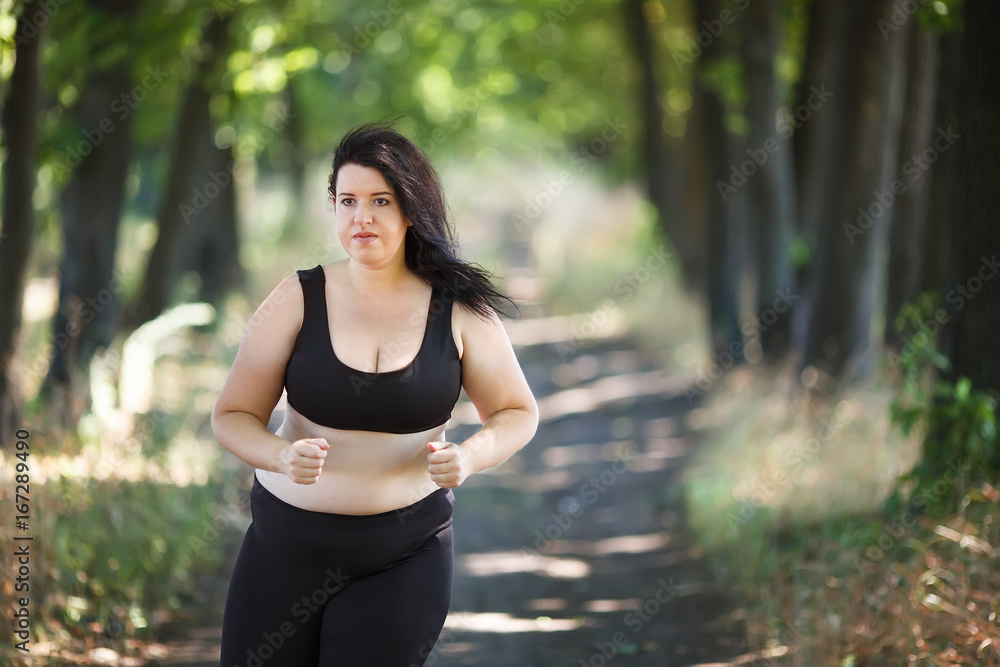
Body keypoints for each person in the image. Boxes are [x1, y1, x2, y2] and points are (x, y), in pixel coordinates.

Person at [211, 120, 539, 667]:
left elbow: (517, 411)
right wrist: (280, 454)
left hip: (404, 557)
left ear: (410, 210)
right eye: (347, 200)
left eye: (380, 201)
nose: (361, 217)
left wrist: (471, 455)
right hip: (284, 548)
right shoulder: (297, 297)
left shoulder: (457, 308)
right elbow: (232, 414)